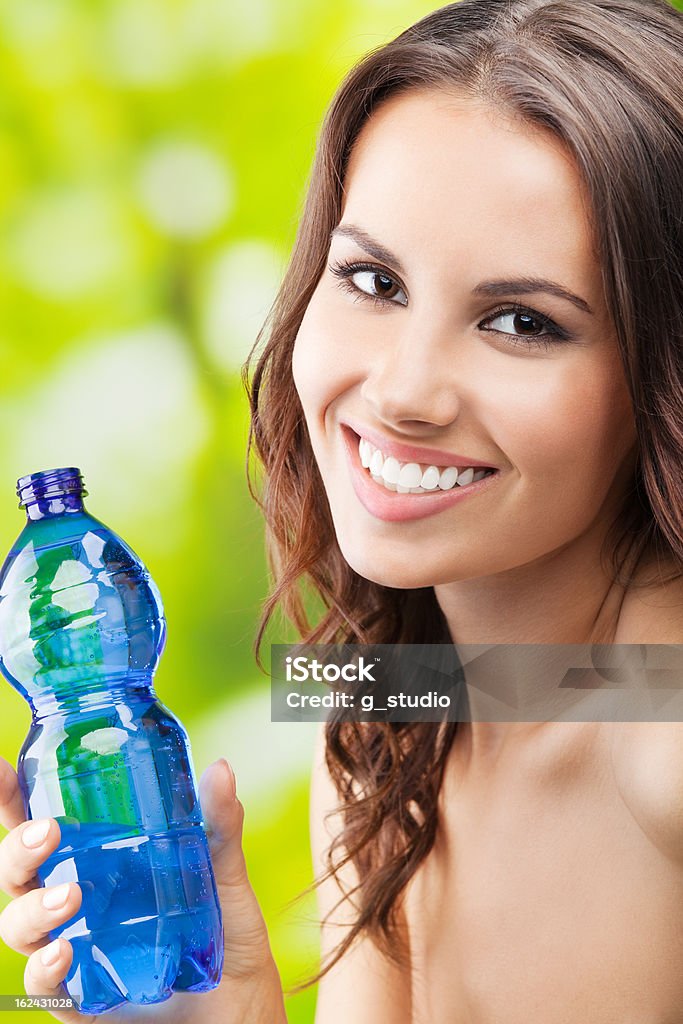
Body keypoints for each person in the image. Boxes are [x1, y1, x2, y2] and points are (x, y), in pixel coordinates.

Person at [1, 0, 682, 1020]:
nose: (404, 390)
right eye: (371, 278)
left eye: (520, 321)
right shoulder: (380, 713)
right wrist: (207, 1004)